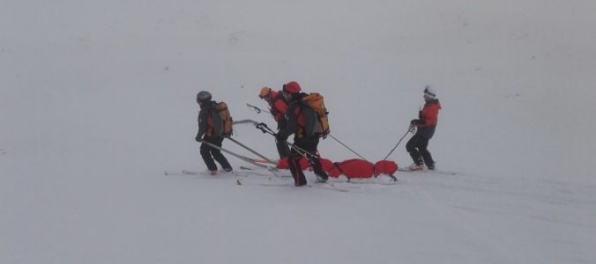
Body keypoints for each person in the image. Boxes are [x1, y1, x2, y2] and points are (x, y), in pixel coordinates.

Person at [276, 81, 329, 186]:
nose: (285, 96)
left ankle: (300, 182)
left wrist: (281, 135)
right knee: (312, 155)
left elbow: (292, 127)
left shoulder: (293, 106)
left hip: (302, 139)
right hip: (314, 136)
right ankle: (322, 176)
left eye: (286, 93)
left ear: (290, 93)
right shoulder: (307, 100)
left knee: (292, 160)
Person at [195, 91, 233, 175]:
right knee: (215, 151)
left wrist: (198, 137)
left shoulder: (204, 111)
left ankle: (213, 170)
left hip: (211, 134)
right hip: (221, 133)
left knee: (204, 151)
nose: (198, 103)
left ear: (203, 101)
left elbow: (202, 128)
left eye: (198, 101)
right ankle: (227, 168)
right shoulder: (216, 106)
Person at [406, 85, 442, 171]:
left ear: (430, 96)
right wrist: (420, 118)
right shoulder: (430, 105)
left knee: (409, 146)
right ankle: (430, 164)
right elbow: (426, 119)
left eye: (425, 95)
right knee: (422, 148)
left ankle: (419, 164)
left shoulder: (432, 107)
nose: (424, 96)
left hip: (424, 132)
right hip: (426, 131)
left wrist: (417, 122)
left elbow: (427, 122)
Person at [258, 87, 289, 158]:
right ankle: (287, 157)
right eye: (263, 98)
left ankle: (285, 159)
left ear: (269, 95)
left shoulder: (277, 101)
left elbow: (287, 112)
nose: (265, 100)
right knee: (280, 138)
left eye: (265, 97)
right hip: (284, 122)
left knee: (280, 138)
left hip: (287, 123)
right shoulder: (273, 100)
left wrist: (281, 118)